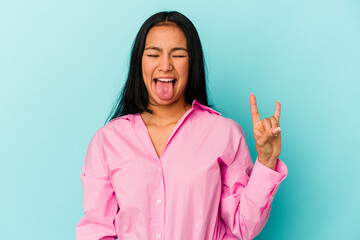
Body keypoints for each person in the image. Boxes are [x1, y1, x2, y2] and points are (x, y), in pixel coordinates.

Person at [76, 11, 287, 240]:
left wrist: (266, 160)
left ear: (192, 63)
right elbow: (96, 231)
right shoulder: (108, 141)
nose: (165, 65)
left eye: (177, 55)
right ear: (140, 63)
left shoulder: (224, 134)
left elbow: (243, 225)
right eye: (154, 54)